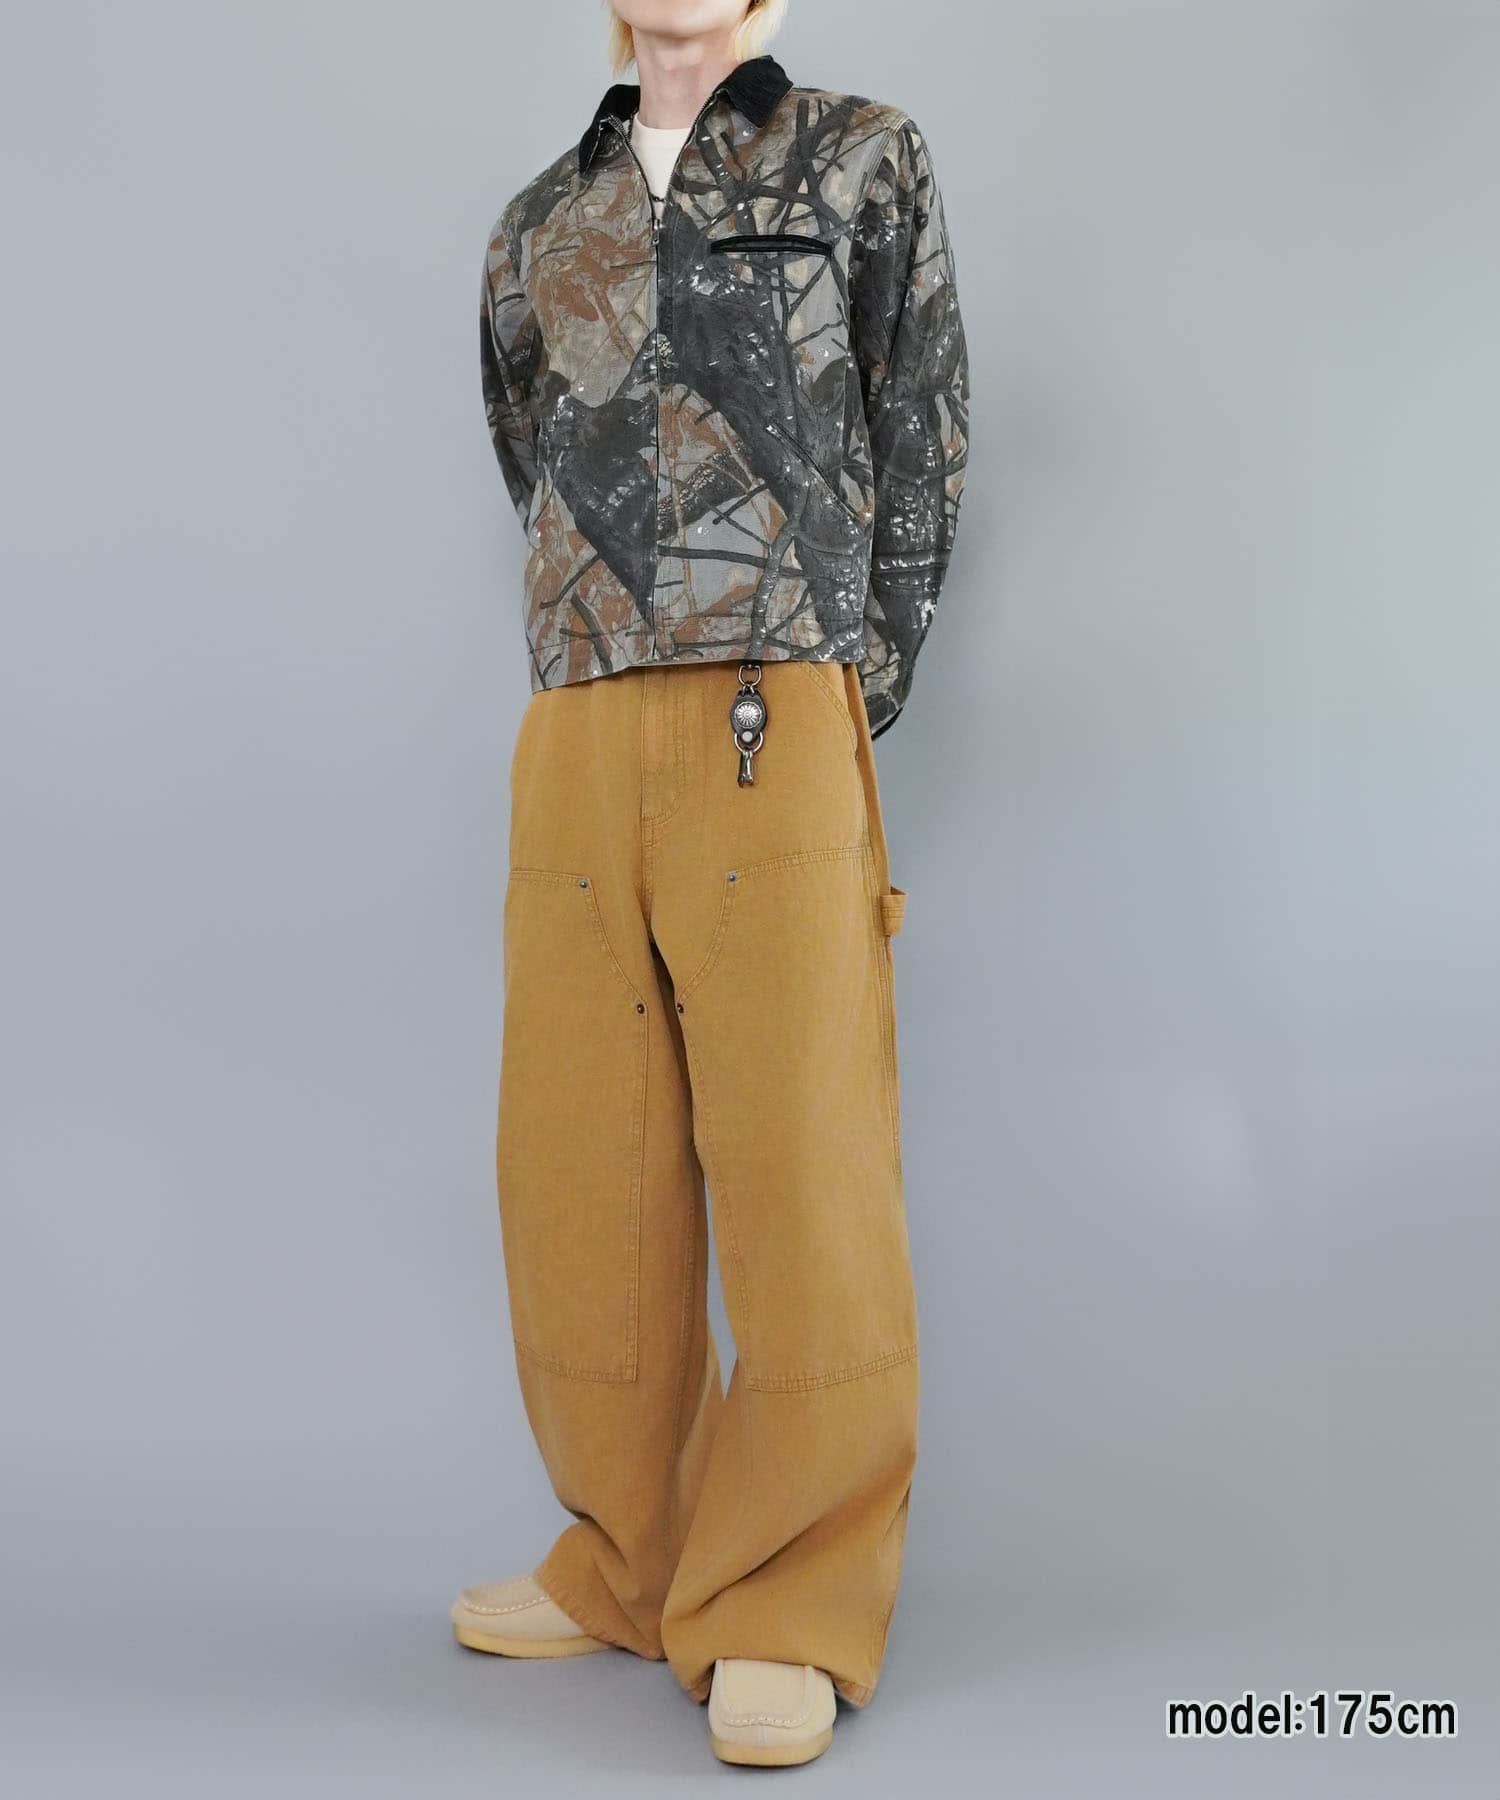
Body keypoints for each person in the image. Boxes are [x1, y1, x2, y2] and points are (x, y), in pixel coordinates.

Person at [456, 0, 969, 1767]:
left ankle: (791, 1594)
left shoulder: (860, 156)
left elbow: (921, 426)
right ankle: (630, 1559)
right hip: (582, 719)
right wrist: (605, 635)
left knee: (802, 1158)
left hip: (777, 702)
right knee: (577, 1167)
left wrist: (838, 680)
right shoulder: (541, 218)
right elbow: (526, 446)